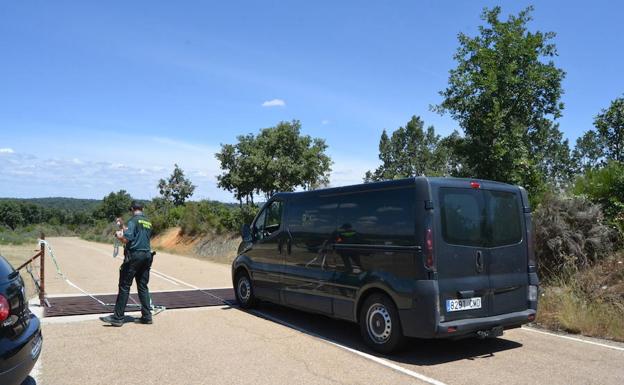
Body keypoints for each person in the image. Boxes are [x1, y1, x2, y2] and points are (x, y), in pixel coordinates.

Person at [100, 201, 154, 327]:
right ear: (142, 209)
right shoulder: (148, 222)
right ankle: (147, 316)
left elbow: (127, 238)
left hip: (134, 256)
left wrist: (118, 236)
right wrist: (122, 225)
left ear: (131, 209)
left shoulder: (133, 221)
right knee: (143, 286)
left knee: (124, 285)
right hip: (147, 255)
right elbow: (135, 233)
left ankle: (118, 318)